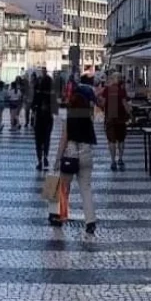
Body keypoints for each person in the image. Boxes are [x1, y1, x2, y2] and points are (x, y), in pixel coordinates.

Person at [50, 75, 99, 236]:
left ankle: (60, 215)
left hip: (70, 155)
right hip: (86, 155)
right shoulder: (88, 119)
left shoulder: (69, 117)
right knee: (86, 189)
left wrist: (57, 158)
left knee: (64, 187)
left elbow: (64, 139)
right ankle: (90, 221)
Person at [102, 69, 131, 171]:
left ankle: (113, 161)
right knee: (121, 140)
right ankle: (120, 159)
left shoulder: (107, 89)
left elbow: (102, 103)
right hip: (121, 118)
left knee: (111, 141)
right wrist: (130, 113)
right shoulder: (122, 90)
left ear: (113, 79)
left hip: (110, 118)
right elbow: (124, 103)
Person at [32, 68, 54, 171]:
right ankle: (45, 156)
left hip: (39, 118)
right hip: (48, 118)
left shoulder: (38, 93)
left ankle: (40, 161)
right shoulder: (52, 94)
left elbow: (33, 105)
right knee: (47, 139)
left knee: (38, 140)